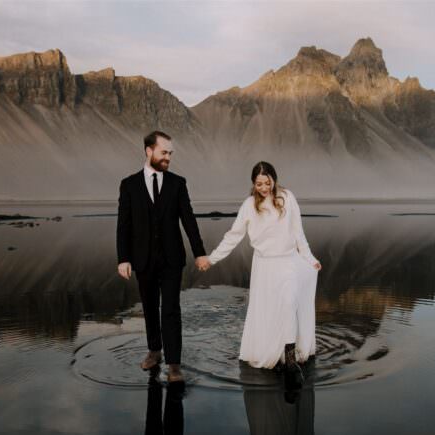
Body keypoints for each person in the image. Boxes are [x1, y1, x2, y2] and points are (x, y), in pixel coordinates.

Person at [199, 161, 321, 381]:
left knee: (289, 303)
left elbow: (298, 232)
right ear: (253, 184)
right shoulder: (248, 205)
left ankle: (290, 359)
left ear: (274, 179)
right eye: (259, 184)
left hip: (289, 262)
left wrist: (310, 258)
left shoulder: (287, 197)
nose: (264, 188)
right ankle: (274, 351)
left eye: (267, 182)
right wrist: (212, 259)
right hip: (265, 267)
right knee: (271, 311)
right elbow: (234, 236)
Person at [116, 131, 210, 382]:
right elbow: (123, 225)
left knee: (170, 309)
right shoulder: (129, 184)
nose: (168, 157)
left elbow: (189, 221)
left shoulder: (178, 183)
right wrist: (123, 258)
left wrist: (199, 252)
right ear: (149, 150)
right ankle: (154, 351)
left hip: (171, 259)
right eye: (164, 152)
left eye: (170, 153)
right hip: (142, 260)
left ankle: (175, 365)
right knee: (149, 307)